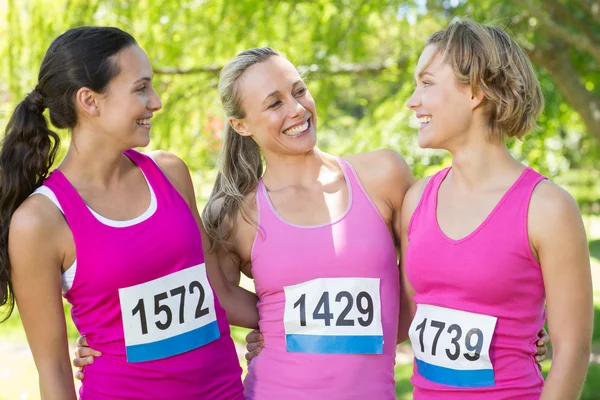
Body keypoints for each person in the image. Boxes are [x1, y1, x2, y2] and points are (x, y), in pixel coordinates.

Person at [72, 45, 549, 398]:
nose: (297, 109)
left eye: (298, 91)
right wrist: (102, 344)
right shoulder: (234, 213)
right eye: (274, 103)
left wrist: (512, 324)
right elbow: (197, 294)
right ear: (241, 126)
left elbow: (443, 263)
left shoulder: (383, 176)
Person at [0, 26, 258, 399]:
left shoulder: (170, 173)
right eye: (140, 88)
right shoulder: (40, 221)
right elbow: (53, 370)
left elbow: (220, 292)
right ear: (89, 101)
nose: (155, 102)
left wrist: (300, 324)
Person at [399, 19, 592, 398]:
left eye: (427, 83)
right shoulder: (416, 199)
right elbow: (406, 317)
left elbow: (572, 352)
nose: (412, 100)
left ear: (473, 91)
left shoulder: (547, 209)